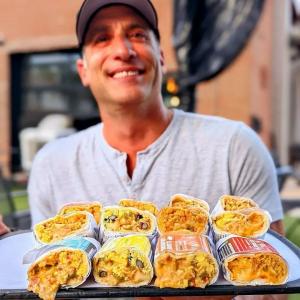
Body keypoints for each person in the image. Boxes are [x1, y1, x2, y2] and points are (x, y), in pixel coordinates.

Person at [27, 0, 286, 299]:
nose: (123, 51)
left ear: (161, 58)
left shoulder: (235, 147)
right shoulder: (51, 164)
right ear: (83, 70)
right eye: (101, 38)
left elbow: (272, 287)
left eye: (137, 34)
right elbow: (45, 275)